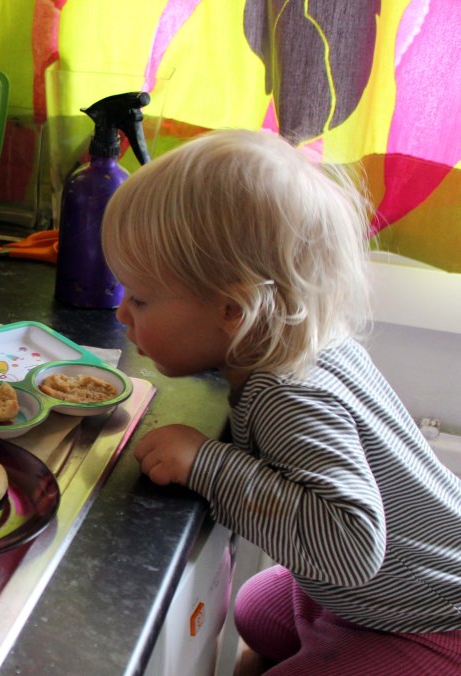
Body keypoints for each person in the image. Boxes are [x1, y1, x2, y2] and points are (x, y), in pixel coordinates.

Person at [100, 129, 461, 675]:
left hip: (428, 618)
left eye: (141, 298)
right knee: (253, 612)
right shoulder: (305, 338)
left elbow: (352, 546)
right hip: (397, 573)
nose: (124, 314)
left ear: (233, 313)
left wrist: (207, 463)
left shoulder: (287, 396)